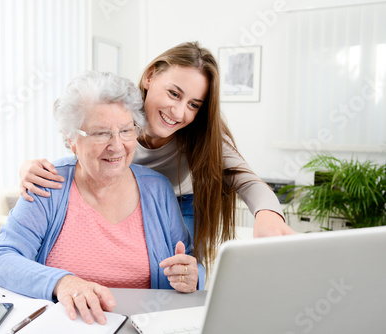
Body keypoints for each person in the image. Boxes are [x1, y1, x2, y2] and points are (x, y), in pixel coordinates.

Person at [19, 41, 296, 271]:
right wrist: (29, 167)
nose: (178, 112)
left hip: (181, 202)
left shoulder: (202, 133)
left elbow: (247, 181)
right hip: (129, 197)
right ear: (150, 76)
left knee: (181, 273)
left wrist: (268, 214)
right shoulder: (122, 109)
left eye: (193, 104)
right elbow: (85, 140)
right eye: (174, 93)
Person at [0, 71, 201, 326]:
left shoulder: (158, 189)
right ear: (71, 139)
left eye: (126, 130)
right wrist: (62, 282)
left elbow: (188, 263)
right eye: (100, 133)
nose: (117, 146)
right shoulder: (49, 184)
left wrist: (191, 276)